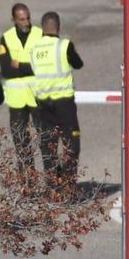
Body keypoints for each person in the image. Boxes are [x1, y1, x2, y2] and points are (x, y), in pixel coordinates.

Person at [29, 12, 85, 181]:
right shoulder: (64, 46)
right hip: (64, 104)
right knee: (71, 144)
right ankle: (68, 186)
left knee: (48, 146)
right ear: (58, 27)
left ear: (42, 29)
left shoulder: (34, 50)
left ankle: (53, 186)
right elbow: (78, 64)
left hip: (43, 105)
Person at [0, 3, 40, 168]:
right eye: (22, 19)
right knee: (21, 142)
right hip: (17, 101)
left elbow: (42, 67)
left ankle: (52, 183)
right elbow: (6, 70)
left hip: (37, 97)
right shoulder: (6, 38)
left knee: (45, 139)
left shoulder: (40, 34)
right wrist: (29, 66)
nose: (26, 22)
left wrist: (19, 65)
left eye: (28, 18)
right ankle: (27, 181)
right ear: (14, 20)